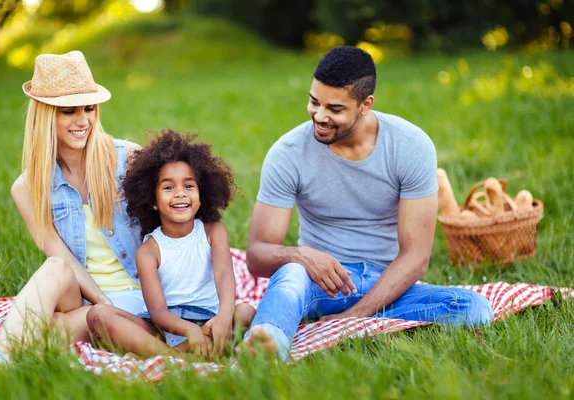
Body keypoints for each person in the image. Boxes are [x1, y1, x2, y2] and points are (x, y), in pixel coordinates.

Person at [243, 46, 494, 360]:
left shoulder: (410, 146)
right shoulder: (288, 153)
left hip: (387, 285)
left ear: (365, 105)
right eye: (313, 101)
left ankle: (366, 324)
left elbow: (416, 257)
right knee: (290, 274)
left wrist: (357, 315)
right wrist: (302, 255)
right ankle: (266, 345)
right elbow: (256, 255)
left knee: (475, 308)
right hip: (317, 283)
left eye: (334, 108)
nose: (319, 116)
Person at [0, 51, 152, 357]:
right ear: (45, 115)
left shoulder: (129, 160)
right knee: (55, 266)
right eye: (69, 111)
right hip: (86, 300)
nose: (83, 121)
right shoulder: (28, 187)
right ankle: (0, 359)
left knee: (39, 337)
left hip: (141, 296)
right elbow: (60, 255)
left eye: (89, 108)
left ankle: (1, 358)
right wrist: (101, 302)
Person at [88, 130, 255, 358]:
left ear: (201, 193)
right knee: (98, 315)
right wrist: (189, 330)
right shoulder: (148, 251)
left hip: (211, 321)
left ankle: (168, 356)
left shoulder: (213, 233)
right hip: (166, 329)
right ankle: (178, 355)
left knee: (245, 311)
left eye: (189, 186)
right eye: (168, 187)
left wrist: (224, 317)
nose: (179, 194)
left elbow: (224, 274)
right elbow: (157, 311)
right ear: (152, 200)